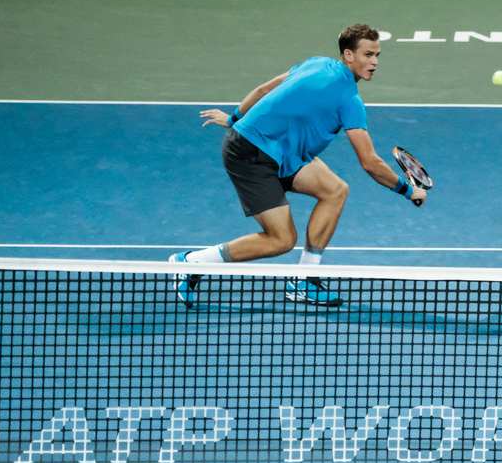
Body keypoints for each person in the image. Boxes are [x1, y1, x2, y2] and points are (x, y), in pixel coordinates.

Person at [168, 24, 425, 308]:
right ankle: (190, 262)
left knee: (334, 190)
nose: (375, 62)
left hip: (282, 152)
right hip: (250, 155)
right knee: (281, 240)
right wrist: (407, 190)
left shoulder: (316, 63)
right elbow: (370, 163)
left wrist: (233, 119)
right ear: (349, 55)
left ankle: (304, 280)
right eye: (368, 54)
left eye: (377, 54)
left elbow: (264, 89)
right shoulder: (349, 101)